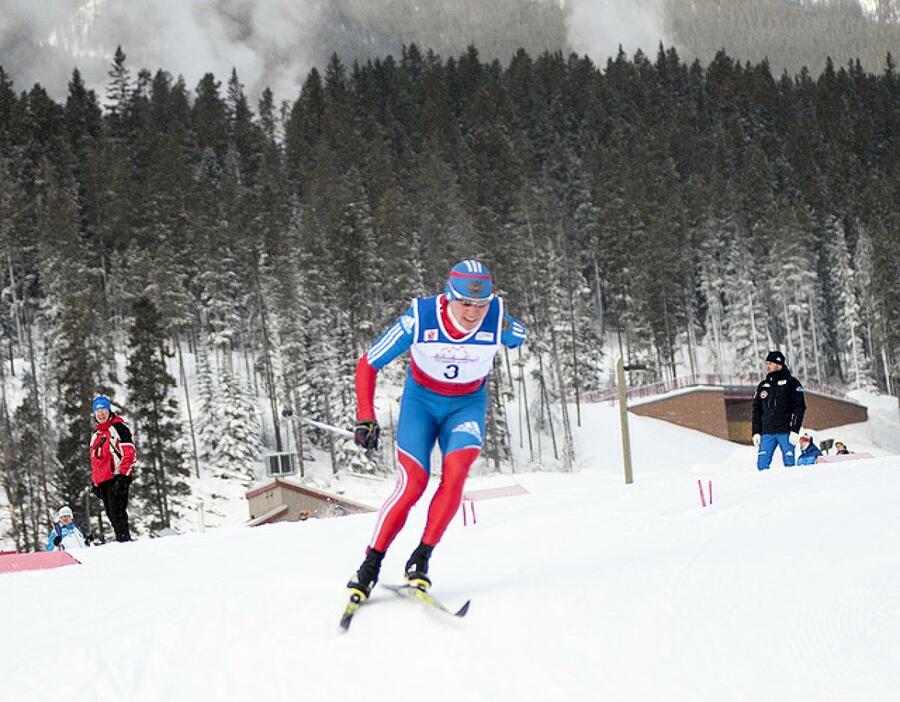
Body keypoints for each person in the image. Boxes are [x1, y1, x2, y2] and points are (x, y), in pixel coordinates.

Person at [346, 260, 526, 599]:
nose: (473, 312)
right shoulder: (420, 318)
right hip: (421, 406)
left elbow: (519, 336)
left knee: (456, 473)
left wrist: (506, 327)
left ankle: (421, 558)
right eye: (466, 303)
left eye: (481, 304)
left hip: (467, 406)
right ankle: (371, 564)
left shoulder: (494, 316)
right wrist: (365, 416)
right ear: (448, 296)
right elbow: (368, 363)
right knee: (413, 484)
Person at [89, 395, 136, 542]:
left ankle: (125, 542)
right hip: (103, 481)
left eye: (103, 410)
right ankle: (122, 541)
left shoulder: (119, 428)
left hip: (116, 477)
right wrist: (95, 483)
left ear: (109, 411)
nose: (101, 414)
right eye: (98, 412)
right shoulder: (96, 435)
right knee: (111, 515)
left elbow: (130, 454)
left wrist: (122, 477)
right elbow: (95, 461)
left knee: (118, 513)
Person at [751, 350, 806, 470]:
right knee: (762, 465)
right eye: (767, 363)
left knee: (789, 465)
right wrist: (756, 431)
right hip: (767, 432)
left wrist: (795, 429)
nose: (768, 366)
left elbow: (800, 407)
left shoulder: (792, 383)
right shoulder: (763, 386)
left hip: (785, 431)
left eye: (770, 363)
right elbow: (757, 410)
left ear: (778, 364)